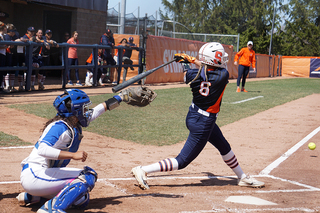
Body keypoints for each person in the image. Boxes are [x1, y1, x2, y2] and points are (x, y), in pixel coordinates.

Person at [131, 42, 265, 190]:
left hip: (193, 115)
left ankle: (241, 177)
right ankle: (143, 170)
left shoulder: (192, 75)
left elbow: (193, 72)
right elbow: (209, 67)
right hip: (204, 123)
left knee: (224, 146)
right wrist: (190, 60)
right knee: (182, 161)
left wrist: (186, 63)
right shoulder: (223, 74)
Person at [16, 86, 156, 213]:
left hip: (42, 178)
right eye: (84, 108)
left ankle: (34, 197)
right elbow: (42, 150)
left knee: (81, 200)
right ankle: (51, 210)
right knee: (88, 176)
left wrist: (120, 97)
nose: (86, 110)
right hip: (35, 175)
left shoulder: (73, 122)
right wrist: (72, 155)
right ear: (76, 110)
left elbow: (97, 111)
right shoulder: (59, 127)